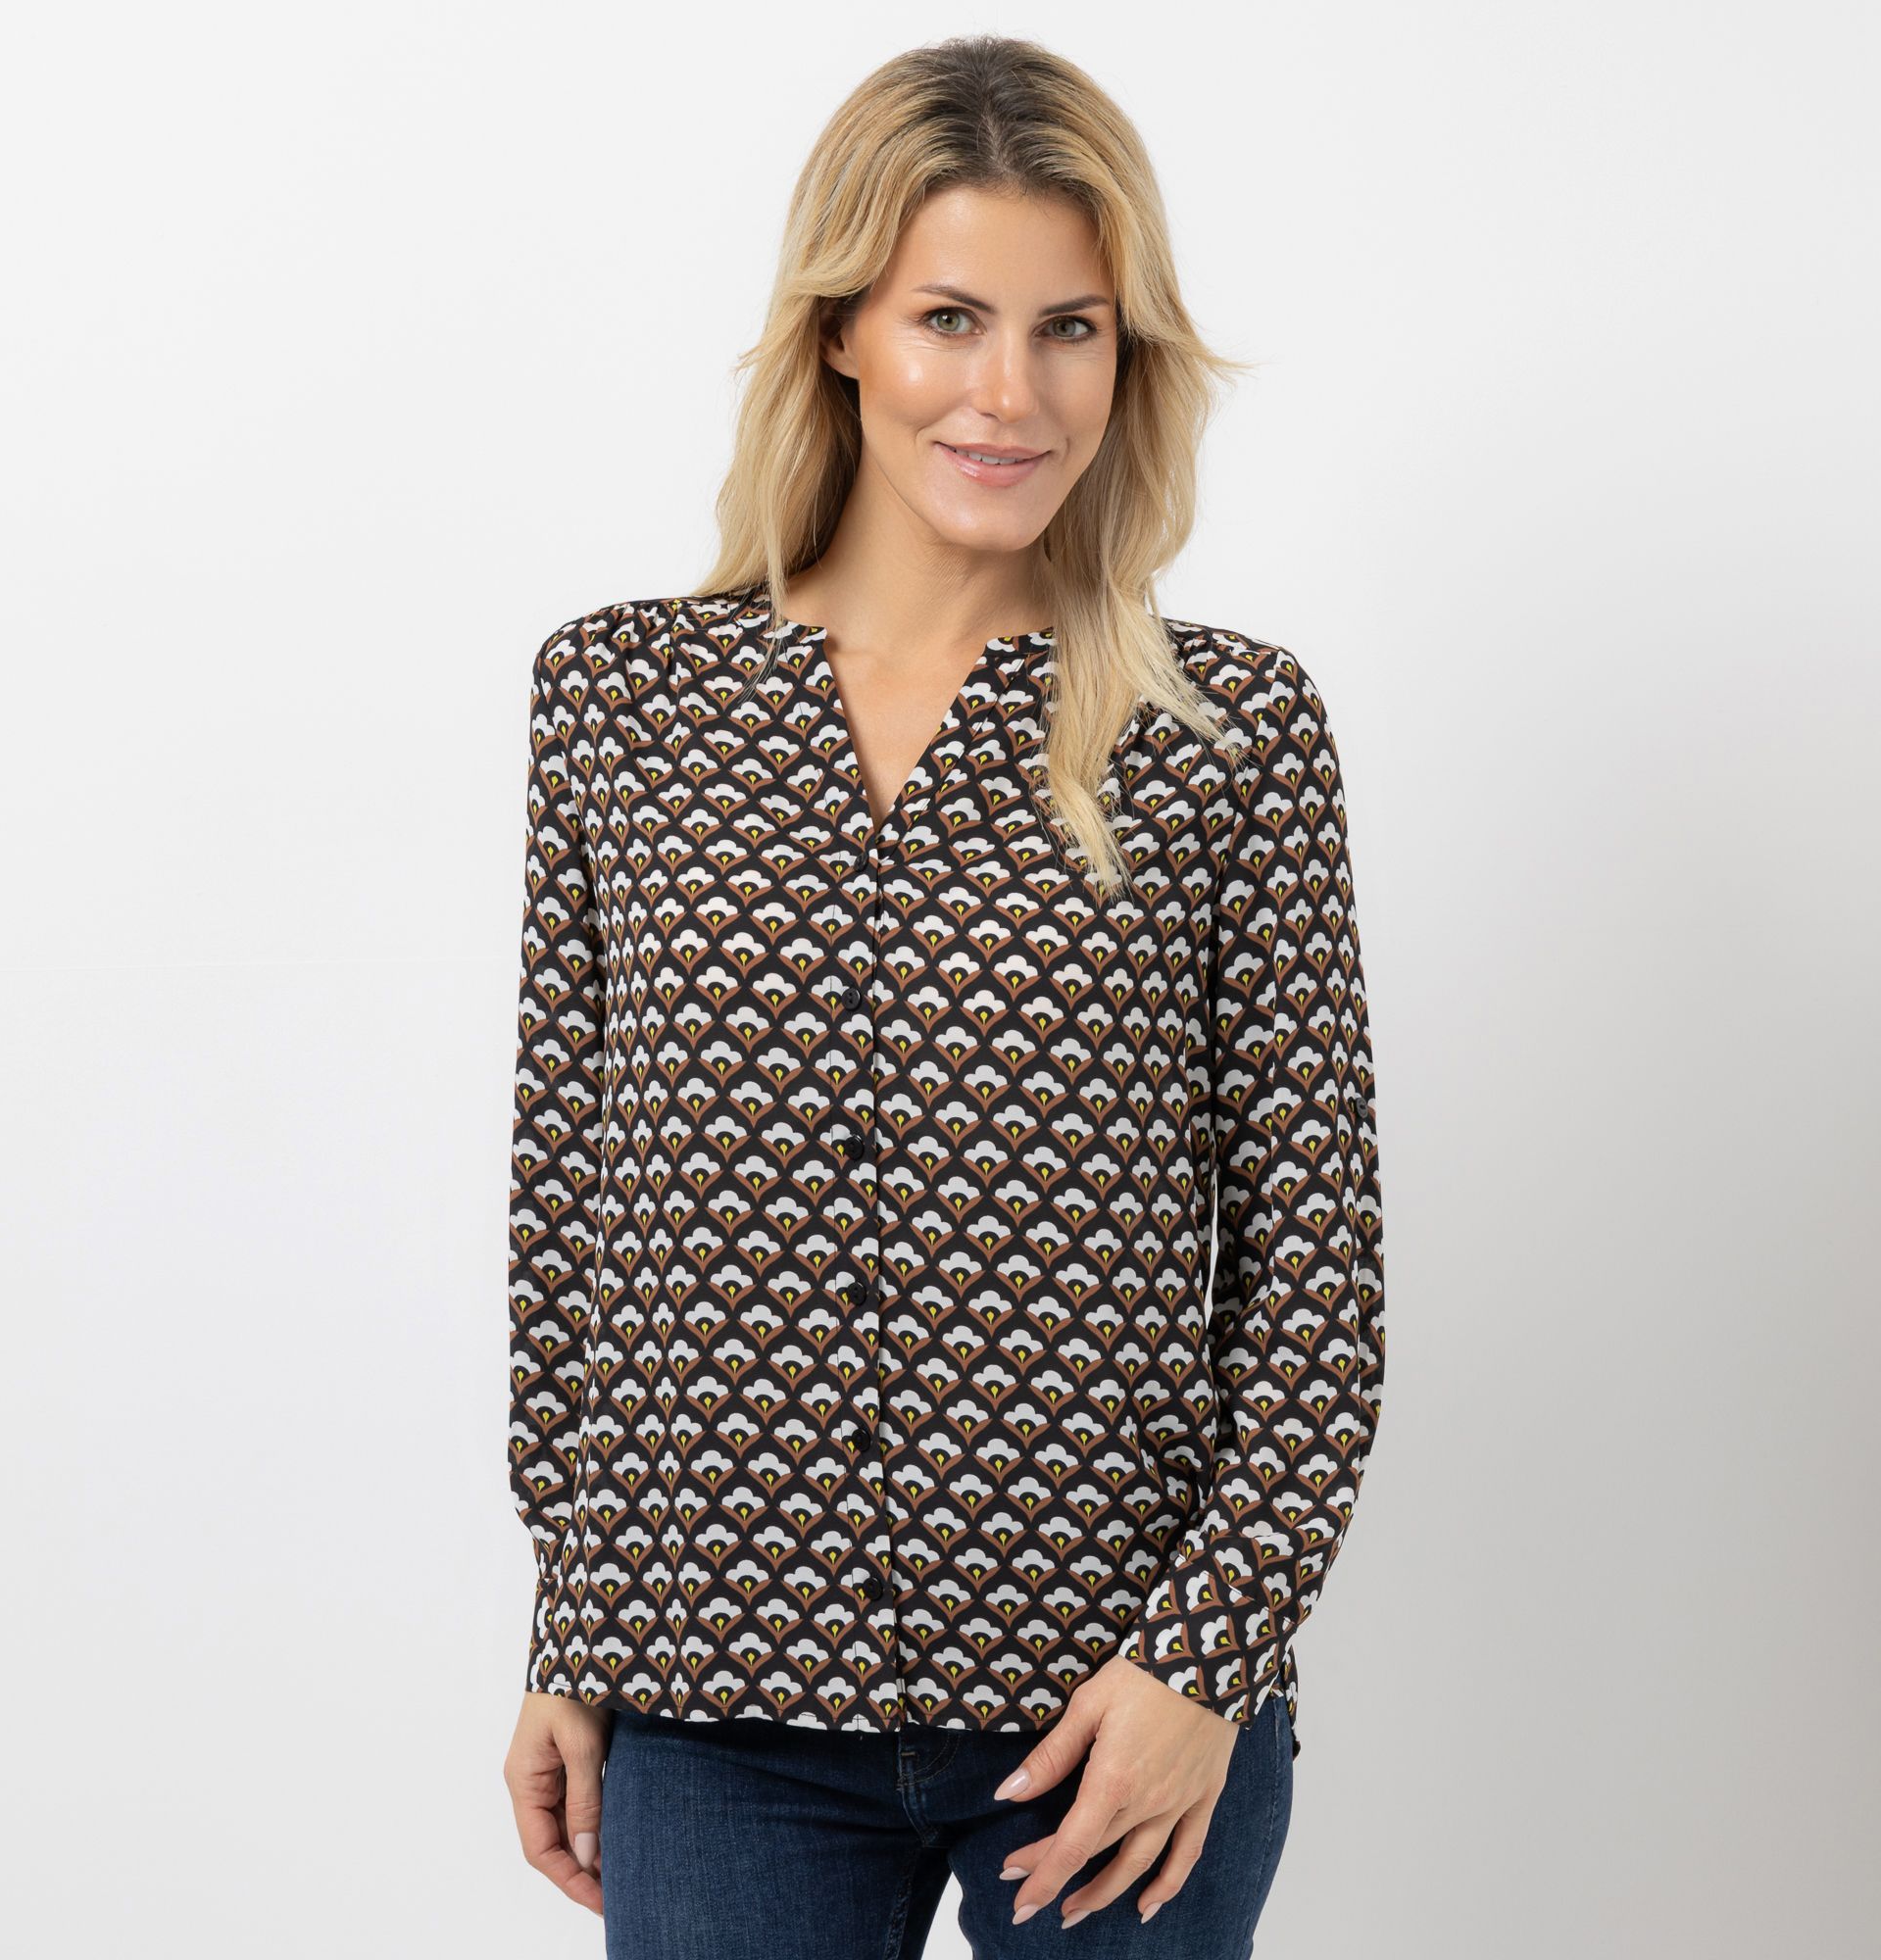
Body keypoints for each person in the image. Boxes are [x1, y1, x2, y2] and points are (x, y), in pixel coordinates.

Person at [501, 32, 1385, 1959]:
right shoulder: (623, 704)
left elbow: (1316, 1282)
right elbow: (578, 1228)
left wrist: (1204, 1667)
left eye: (1070, 331)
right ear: (840, 332)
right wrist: (574, 1627)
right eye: (950, 319)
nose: (1010, 393)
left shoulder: (1225, 736)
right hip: (713, 1698)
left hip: (1118, 1705)